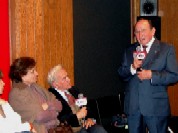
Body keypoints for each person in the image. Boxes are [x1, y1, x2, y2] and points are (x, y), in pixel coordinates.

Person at [118, 18, 178, 133]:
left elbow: (174, 75)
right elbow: (121, 74)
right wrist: (132, 68)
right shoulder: (129, 50)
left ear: (153, 31)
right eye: (137, 31)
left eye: (143, 30)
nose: (140, 34)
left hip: (156, 107)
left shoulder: (166, 49)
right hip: (133, 107)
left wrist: (152, 75)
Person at [47, 64, 108, 133]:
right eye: (64, 78)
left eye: (68, 76)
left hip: (86, 124)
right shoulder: (51, 97)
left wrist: (90, 119)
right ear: (55, 84)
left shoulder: (74, 90)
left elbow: (87, 107)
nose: (69, 79)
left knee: (99, 130)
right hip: (70, 129)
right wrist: (77, 116)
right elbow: (58, 120)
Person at [8, 57, 62, 133]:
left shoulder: (36, 86)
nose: (37, 73)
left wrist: (47, 105)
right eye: (32, 72)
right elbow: (40, 116)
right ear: (22, 75)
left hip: (55, 129)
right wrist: (55, 112)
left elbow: (59, 104)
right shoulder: (17, 93)